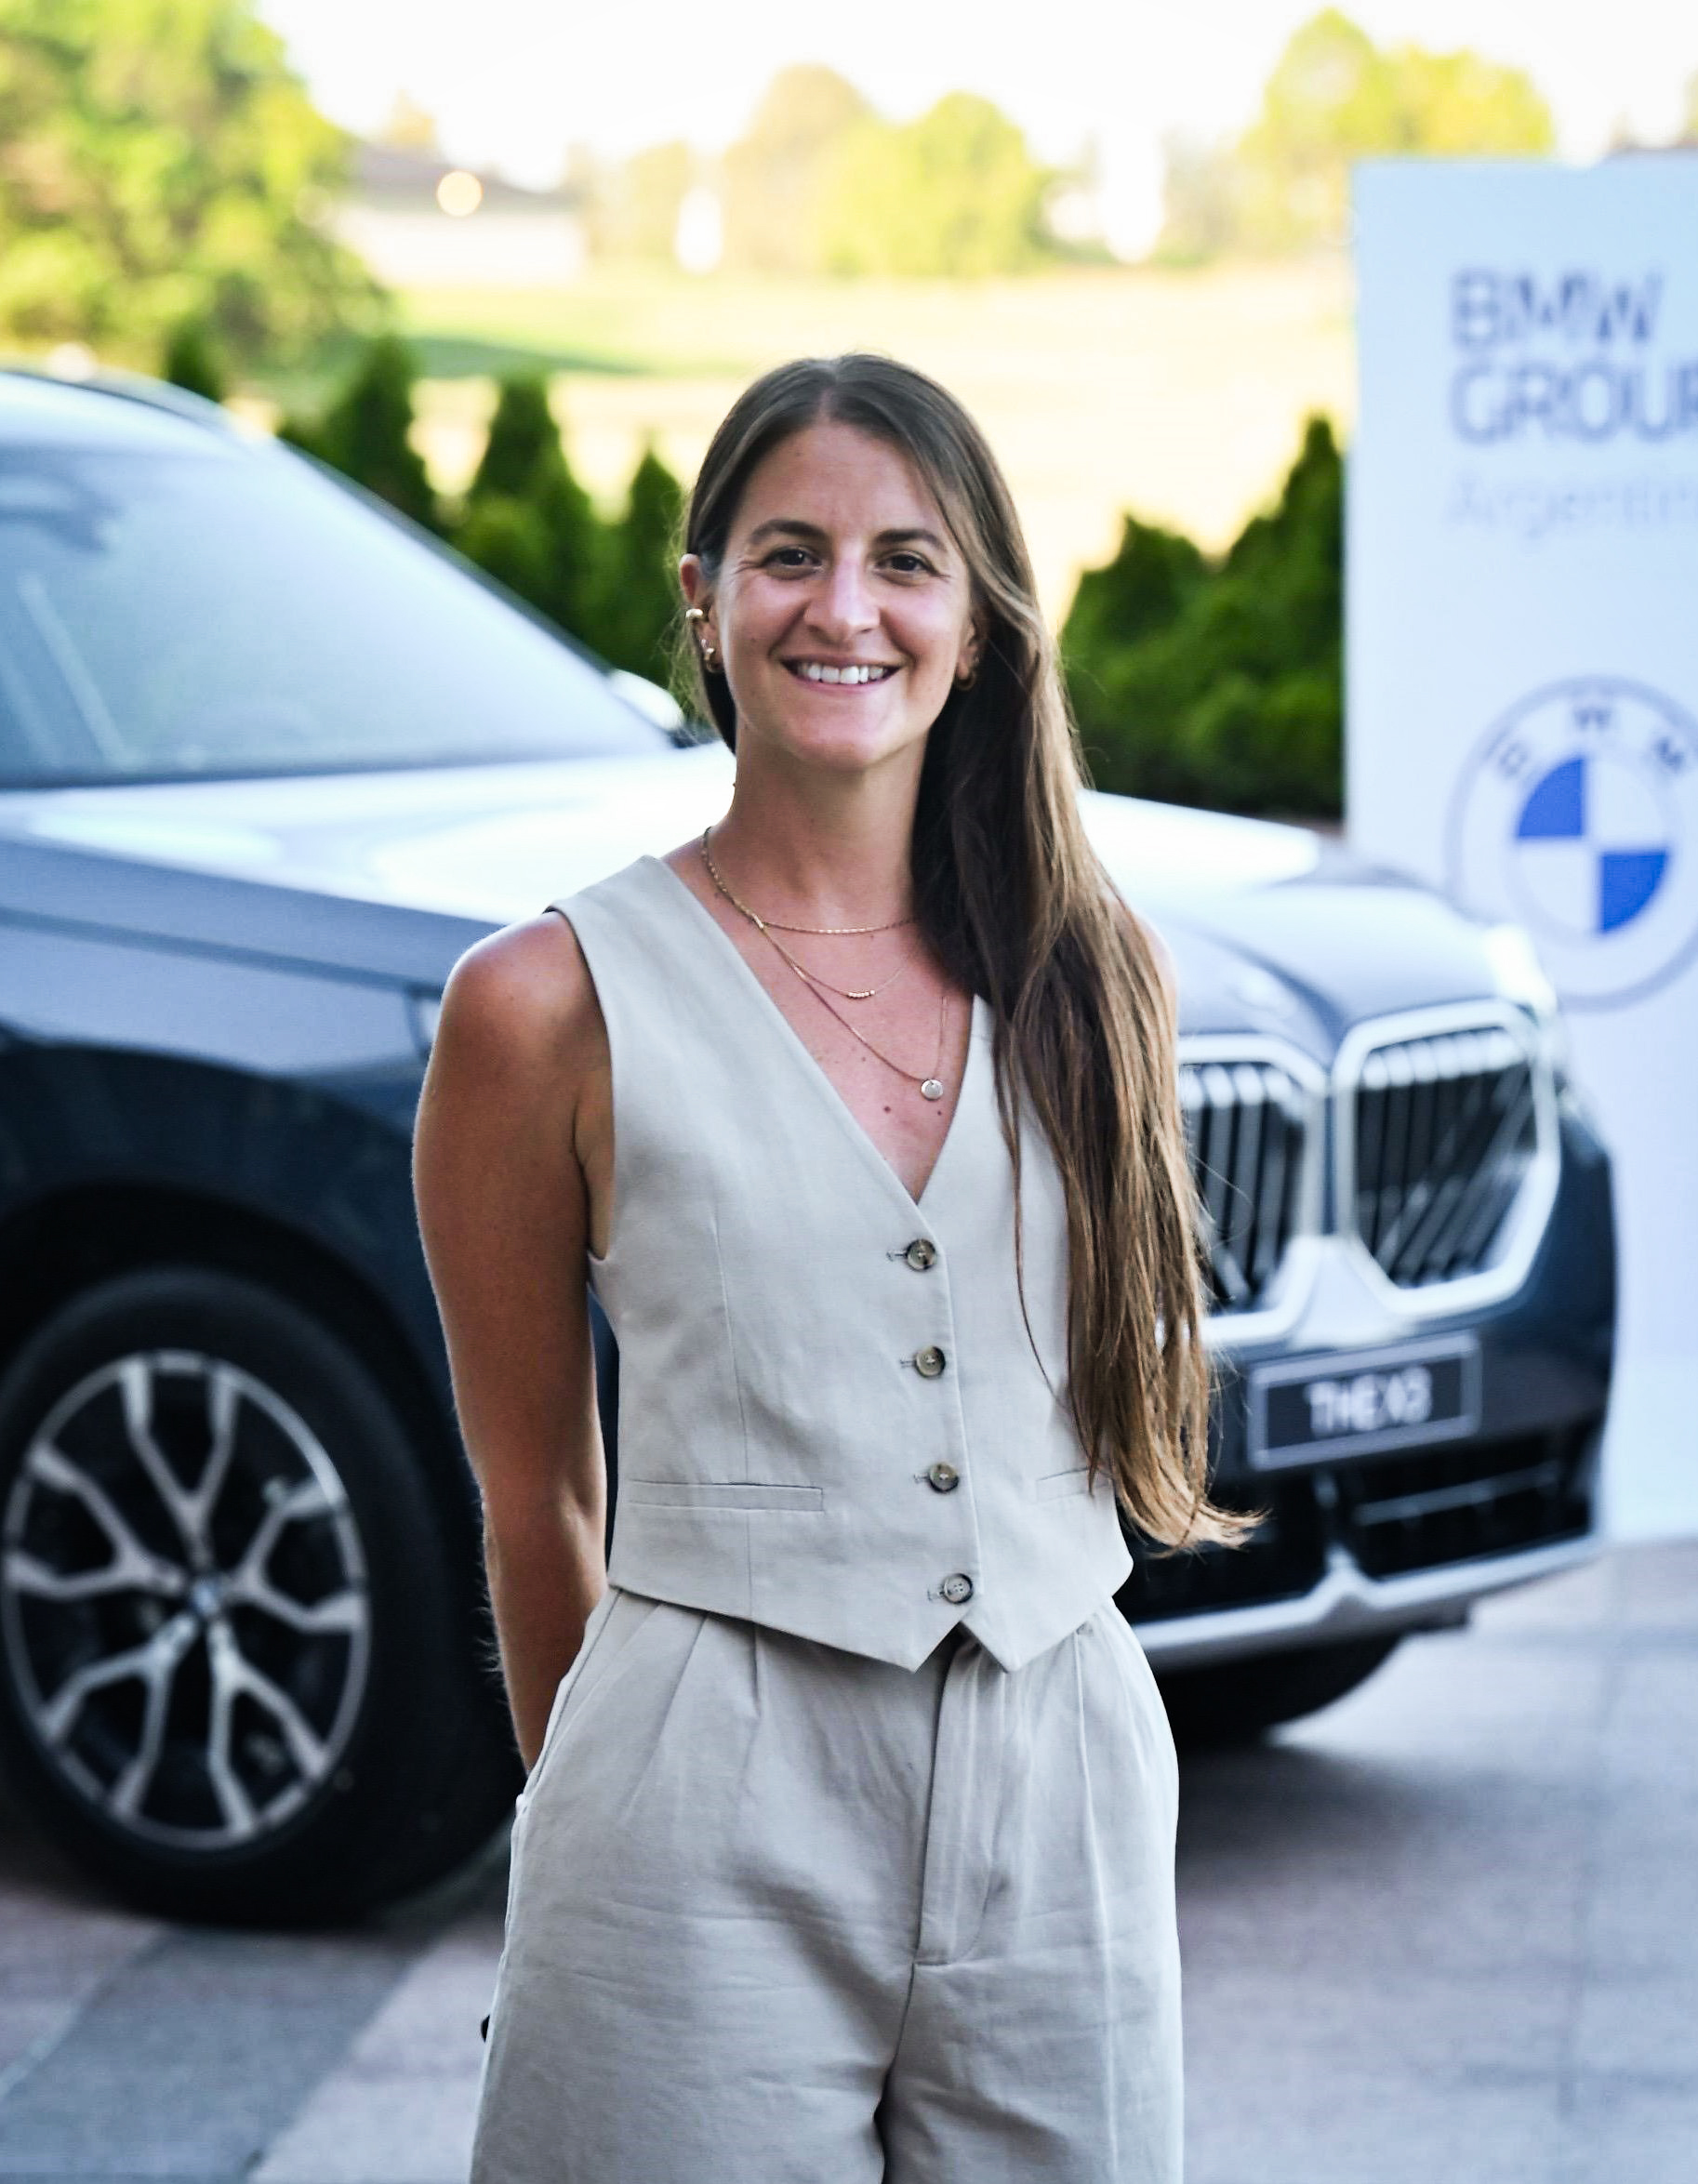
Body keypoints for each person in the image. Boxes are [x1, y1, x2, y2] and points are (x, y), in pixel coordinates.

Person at [413, 352, 1248, 2184]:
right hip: (691, 1806)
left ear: (978, 621)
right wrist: (600, 1833)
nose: (844, 608)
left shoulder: (1096, 973)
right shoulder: (539, 1004)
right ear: (703, 598)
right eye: (790, 552)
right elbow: (539, 1493)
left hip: (1064, 1784)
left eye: (905, 560)